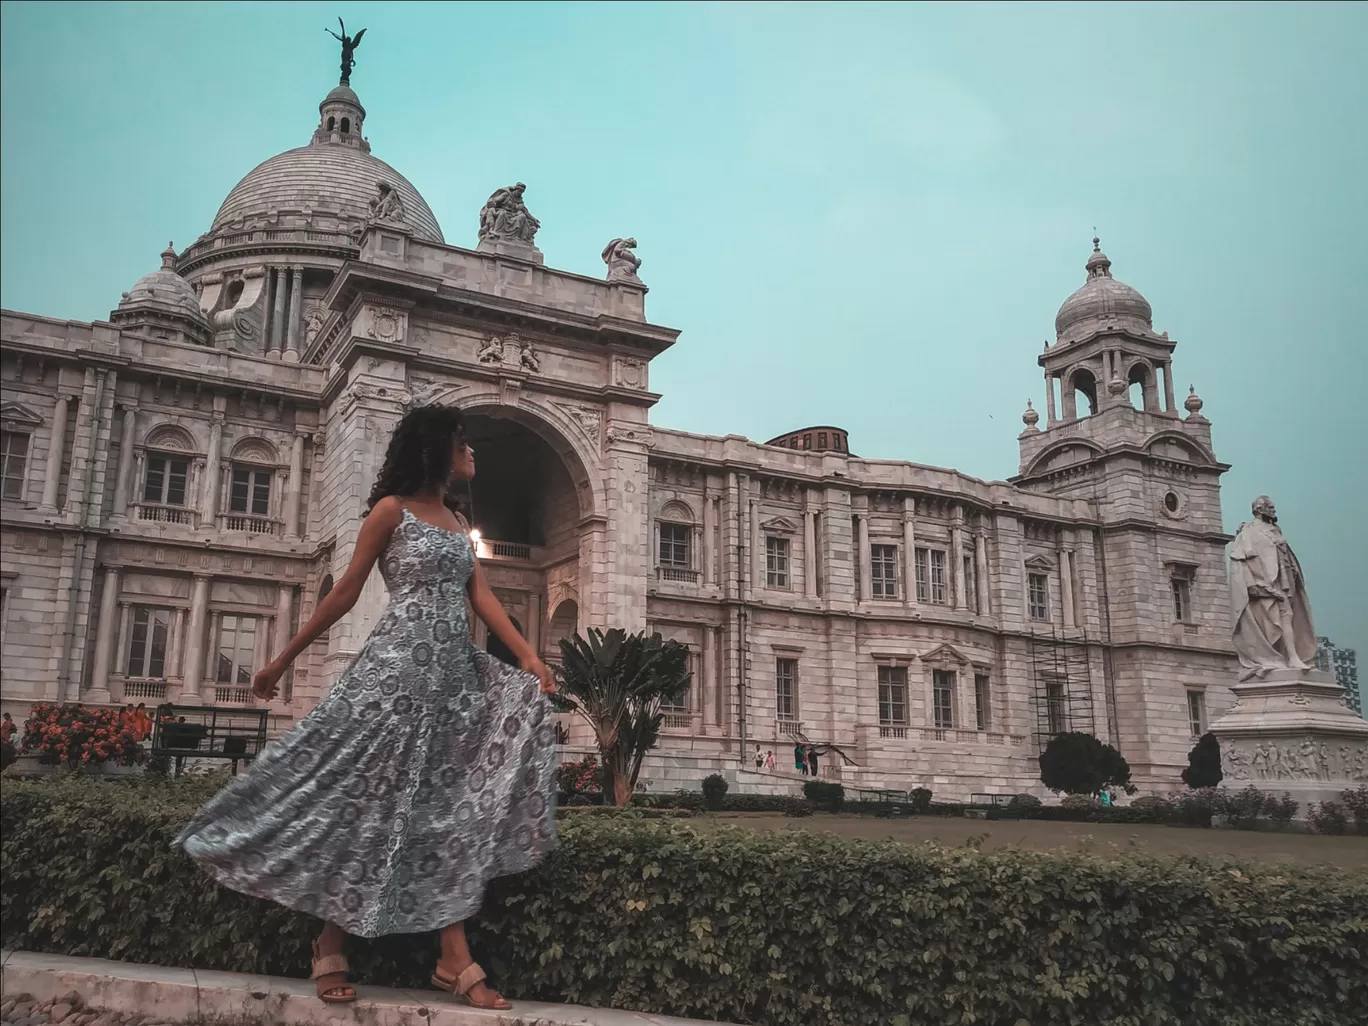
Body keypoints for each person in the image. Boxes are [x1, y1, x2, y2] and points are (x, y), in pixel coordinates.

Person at [174, 405, 558, 1010]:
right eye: (464, 444)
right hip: (394, 675)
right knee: (366, 798)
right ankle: (335, 941)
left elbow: (479, 594)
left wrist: (529, 658)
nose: (473, 454)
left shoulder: (458, 522)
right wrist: (283, 659)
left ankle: (451, 956)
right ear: (436, 451)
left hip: (451, 681)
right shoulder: (390, 512)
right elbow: (346, 591)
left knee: (442, 807)